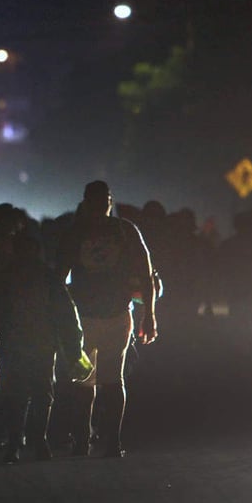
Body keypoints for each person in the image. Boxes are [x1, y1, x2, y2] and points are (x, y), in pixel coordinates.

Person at [56, 181, 157, 458]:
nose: (102, 206)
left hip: (99, 316)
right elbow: (146, 275)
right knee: (102, 381)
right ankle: (100, 441)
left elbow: (146, 274)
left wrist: (150, 314)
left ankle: (93, 441)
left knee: (97, 382)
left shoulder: (107, 231)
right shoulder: (117, 231)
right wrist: (149, 314)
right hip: (92, 316)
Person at [0, 211, 92, 464]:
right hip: (42, 344)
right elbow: (68, 316)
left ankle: (15, 444)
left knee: (16, 395)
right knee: (42, 395)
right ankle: (39, 441)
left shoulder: (5, 276)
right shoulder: (48, 277)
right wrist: (73, 349)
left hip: (12, 344)